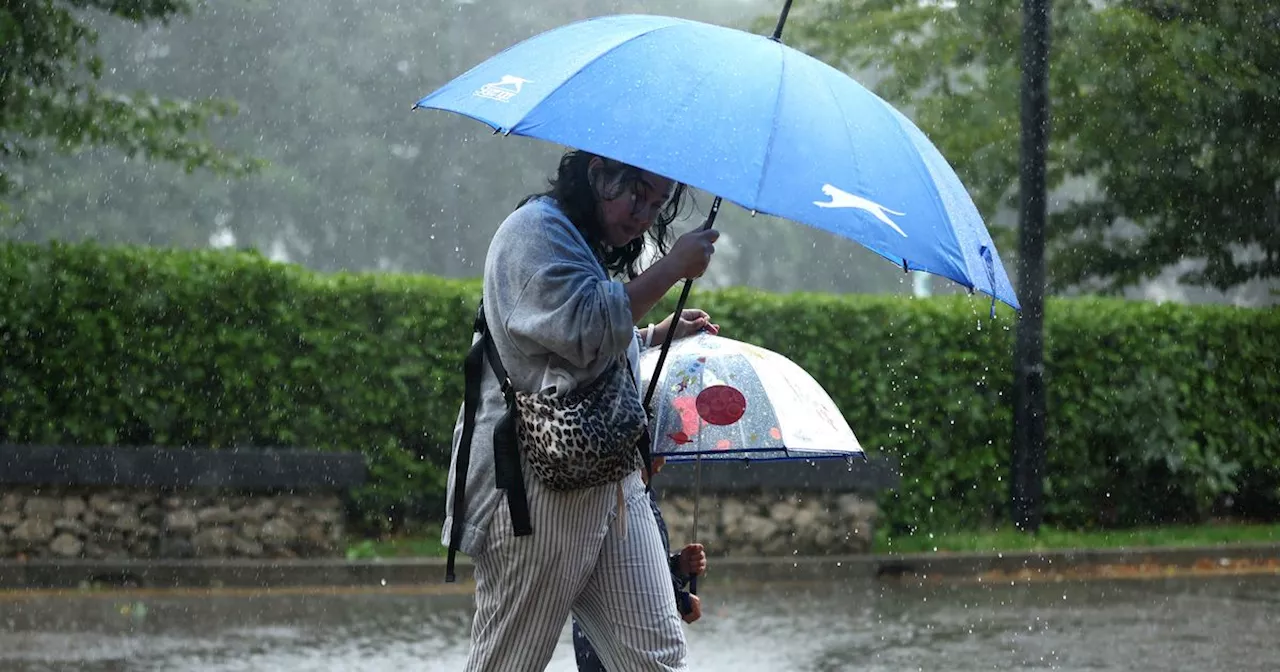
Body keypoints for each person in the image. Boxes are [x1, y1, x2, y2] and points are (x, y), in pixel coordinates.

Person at [442, 148, 720, 672]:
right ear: (598, 174)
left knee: (655, 661)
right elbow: (584, 329)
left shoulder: (582, 243)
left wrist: (651, 336)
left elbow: (571, 346)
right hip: (533, 490)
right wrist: (673, 268)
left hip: (611, 485)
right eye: (639, 194)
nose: (645, 216)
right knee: (509, 662)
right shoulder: (534, 233)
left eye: (658, 204)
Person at [573, 457, 709, 672]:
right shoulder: (617, 503)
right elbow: (624, 581)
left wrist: (679, 567)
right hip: (612, 645)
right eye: (654, 453)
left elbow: (643, 572)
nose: (662, 462)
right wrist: (680, 599)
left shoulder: (643, 499)